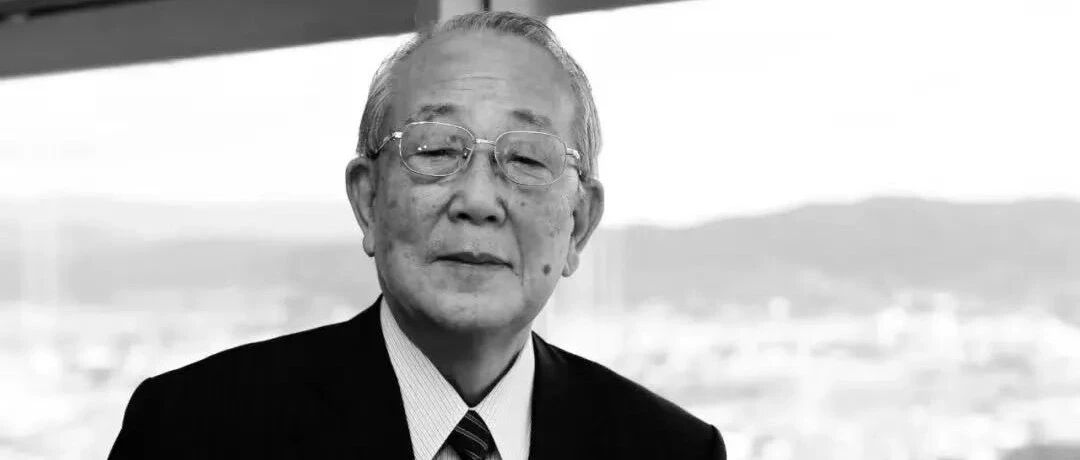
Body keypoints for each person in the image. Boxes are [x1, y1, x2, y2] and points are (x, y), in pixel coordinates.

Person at [109, 11, 725, 460]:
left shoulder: (671, 449)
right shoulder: (194, 430)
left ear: (580, 225)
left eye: (526, 159)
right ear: (367, 200)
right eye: (435, 150)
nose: (478, 201)